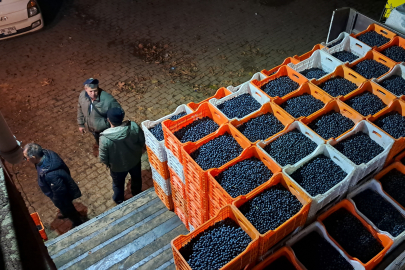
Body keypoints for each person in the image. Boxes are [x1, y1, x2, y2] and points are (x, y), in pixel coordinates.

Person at [23, 143, 83, 227]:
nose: (27, 160)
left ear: (33, 157)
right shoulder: (47, 153)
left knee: (67, 207)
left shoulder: (51, 175)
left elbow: (60, 191)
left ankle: (77, 222)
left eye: (26, 158)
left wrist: (56, 200)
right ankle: (66, 212)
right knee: (66, 207)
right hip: (61, 186)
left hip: (62, 196)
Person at [99, 107, 145, 204]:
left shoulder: (104, 138)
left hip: (117, 167)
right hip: (134, 161)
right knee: (136, 178)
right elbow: (142, 141)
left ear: (108, 120)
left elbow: (103, 158)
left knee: (118, 185)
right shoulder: (133, 126)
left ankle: (119, 200)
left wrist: (109, 164)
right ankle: (136, 193)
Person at [77, 78, 122, 157]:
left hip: (106, 130)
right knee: (98, 139)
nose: (93, 94)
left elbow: (119, 112)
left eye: (95, 91)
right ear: (86, 89)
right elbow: (80, 109)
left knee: (111, 143)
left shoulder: (107, 99)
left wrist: (113, 125)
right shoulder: (82, 96)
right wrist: (81, 124)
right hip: (92, 128)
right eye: (91, 91)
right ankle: (100, 146)